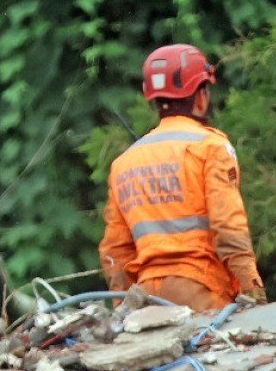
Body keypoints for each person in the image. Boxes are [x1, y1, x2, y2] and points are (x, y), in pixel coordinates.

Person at [99, 44, 266, 310]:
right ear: (201, 95)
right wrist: (252, 287)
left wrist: (122, 306)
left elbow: (115, 251)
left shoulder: (124, 163)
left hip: (146, 301)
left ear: (151, 98)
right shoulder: (210, 147)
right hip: (202, 293)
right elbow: (228, 228)